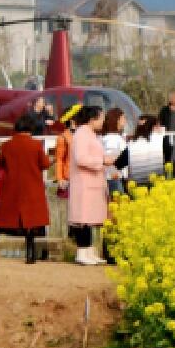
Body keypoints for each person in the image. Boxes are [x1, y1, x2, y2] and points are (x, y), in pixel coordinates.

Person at [0, 106, 51, 263]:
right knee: (30, 224)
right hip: (32, 187)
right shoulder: (36, 145)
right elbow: (44, 164)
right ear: (30, 128)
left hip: (11, 188)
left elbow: (1, 163)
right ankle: (30, 255)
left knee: (1, 222)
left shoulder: (7, 145)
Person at [67, 108, 110, 265]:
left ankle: (89, 251)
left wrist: (104, 159)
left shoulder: (90, 134)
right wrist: (102, 161)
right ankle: (82, 252)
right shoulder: (81, 134)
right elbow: (81, 158)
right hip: (84, 182)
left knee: (90, 219)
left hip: (93, 181)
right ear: (92, 119)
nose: (103, 122)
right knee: (83, 219)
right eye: (101, 118)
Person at [126, 116, 167, 191]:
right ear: (153, 127)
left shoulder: (130, 144)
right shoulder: (159, 138)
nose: (160, 127)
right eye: (158, 125)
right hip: (156, 182)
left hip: (136, 184)